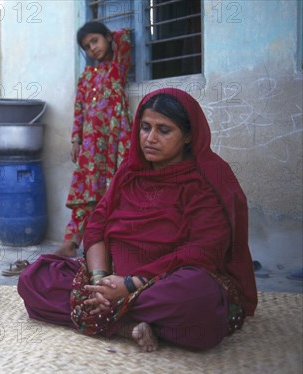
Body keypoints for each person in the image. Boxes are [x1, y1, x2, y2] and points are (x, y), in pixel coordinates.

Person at [19, 88, 257, 352]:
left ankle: (115, 316)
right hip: (111, 276)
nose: (150, 139)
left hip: (163, 282)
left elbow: (203, 250)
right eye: (145, 128)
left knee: (200, 299)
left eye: (163, 130)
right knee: (34, 277)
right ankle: (128, 325)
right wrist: (100, 280)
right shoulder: (130, 172)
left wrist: (130, 285)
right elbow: (97, 225)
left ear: (188, 135)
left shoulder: (207, 179)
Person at [55, 21, 133, 258]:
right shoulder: (86, 77)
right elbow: (79, 109)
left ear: (107, 38)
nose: (92, 48)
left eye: (95, 41)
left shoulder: (118, 65)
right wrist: (76, 140)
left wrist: (109, 36)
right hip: (90, 144)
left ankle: (115, 241)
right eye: (87, 46)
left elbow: (124, 37)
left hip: (116, 137)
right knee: (85, 190)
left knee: (117, 186)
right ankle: (72, 239)